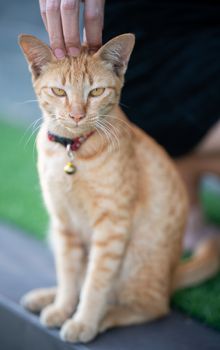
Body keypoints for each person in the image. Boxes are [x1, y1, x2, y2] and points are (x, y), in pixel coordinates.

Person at [39, 0, 220, 248]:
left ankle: (183, 183)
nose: (77, 112)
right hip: (147, 40)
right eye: (60, 93)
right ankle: (183, 175)